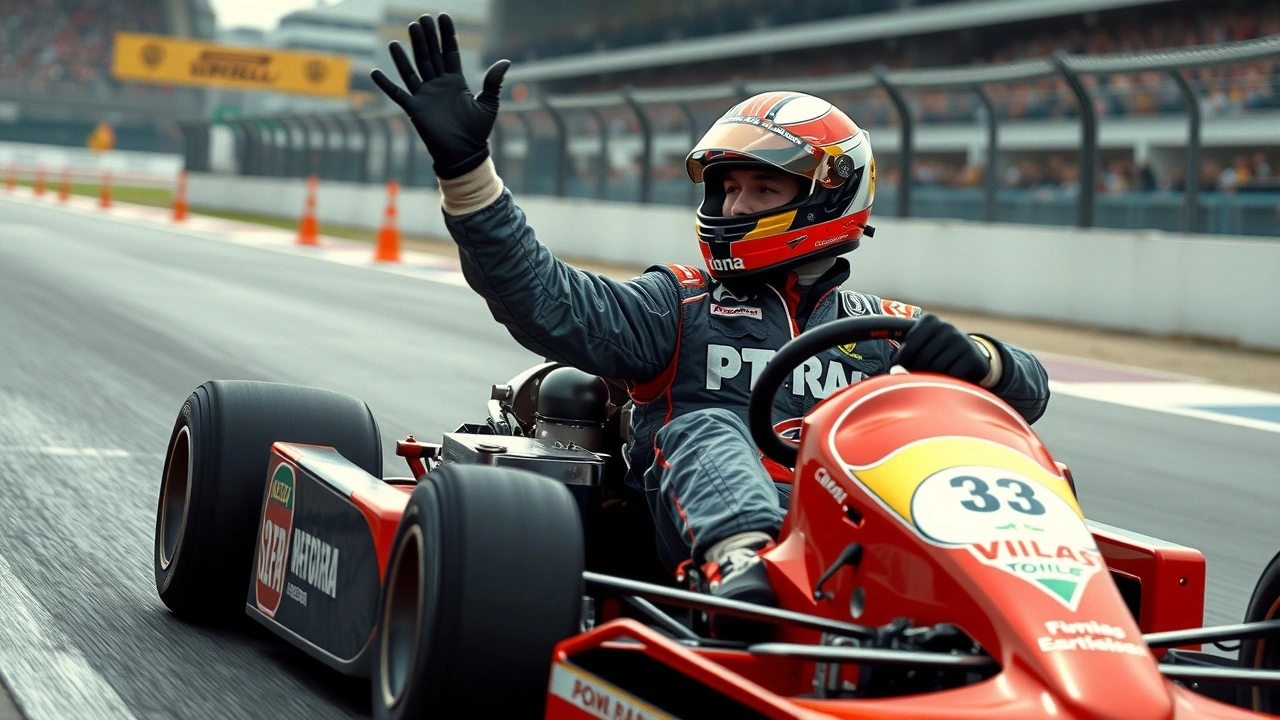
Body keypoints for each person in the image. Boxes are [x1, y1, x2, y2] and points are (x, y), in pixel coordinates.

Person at [372, 14, 1050, 629]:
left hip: (857, 543)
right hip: (698, 548)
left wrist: (981, 362)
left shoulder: (883, 329)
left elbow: (1030, 389)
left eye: (761, 187)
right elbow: (545, 299)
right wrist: (467, 174)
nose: (732, 205)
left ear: (828, 195)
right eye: (726, 187)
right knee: (708, 424)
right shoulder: (678, 304)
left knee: (988, 455)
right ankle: (744, 572)